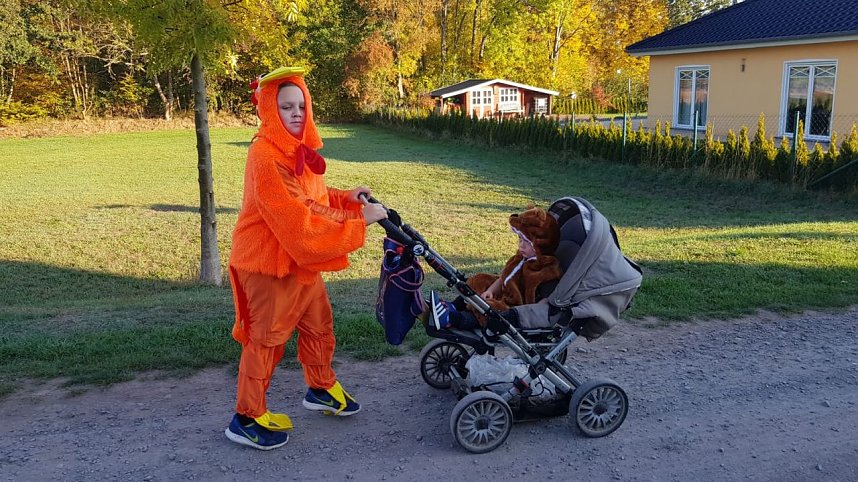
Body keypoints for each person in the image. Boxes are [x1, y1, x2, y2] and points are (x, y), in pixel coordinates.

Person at [224, 66, 388, 451]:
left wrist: (347, 197)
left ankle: (321, 388)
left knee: (318, 326)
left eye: (301, 105)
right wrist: (356, 222)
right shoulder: (265, 156)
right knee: (266, 340)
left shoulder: (296, 150)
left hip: (300, 264)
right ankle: (245, 417)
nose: (296, 113)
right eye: (286, 107)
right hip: (269, 264)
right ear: (269, 110)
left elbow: (312, 196)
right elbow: (298, 220)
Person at [427, 206, 562, 330]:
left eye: (526, 243)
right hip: (502, 292)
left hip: (515, 308)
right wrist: (491, 290)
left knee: (490, 313)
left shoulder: (547, 270)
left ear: (540, 246)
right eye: (519, 240)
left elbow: (548, 300)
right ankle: (453, 306)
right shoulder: (521, 257)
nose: (521, 246)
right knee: (478, 280)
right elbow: (504, 278)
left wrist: (541, 310)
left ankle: (451, 318)